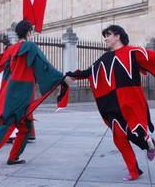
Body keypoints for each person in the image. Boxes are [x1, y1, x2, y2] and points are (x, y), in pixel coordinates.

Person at [0, 20, 71, 174]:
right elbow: (44, 65)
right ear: (29, 33)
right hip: (22, 92)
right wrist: (62, 78)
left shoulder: (11, 49)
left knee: (25, 127)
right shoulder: (30, 47)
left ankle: (13, 157)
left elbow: (2, 71)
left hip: (13, 90)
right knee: (8, 126)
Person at [66, 25, 155, 181]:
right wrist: (70, 75)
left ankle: (149, 144)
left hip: (131, 101)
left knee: (137, 131)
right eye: (105, 36)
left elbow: (153, 59)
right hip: (112, 105)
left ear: (117, 36)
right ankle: (134, 171)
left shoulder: (133, 52)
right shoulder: (105, 58)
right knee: (119, 136)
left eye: (108, 35)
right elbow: (89, 71)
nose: (105, 38)